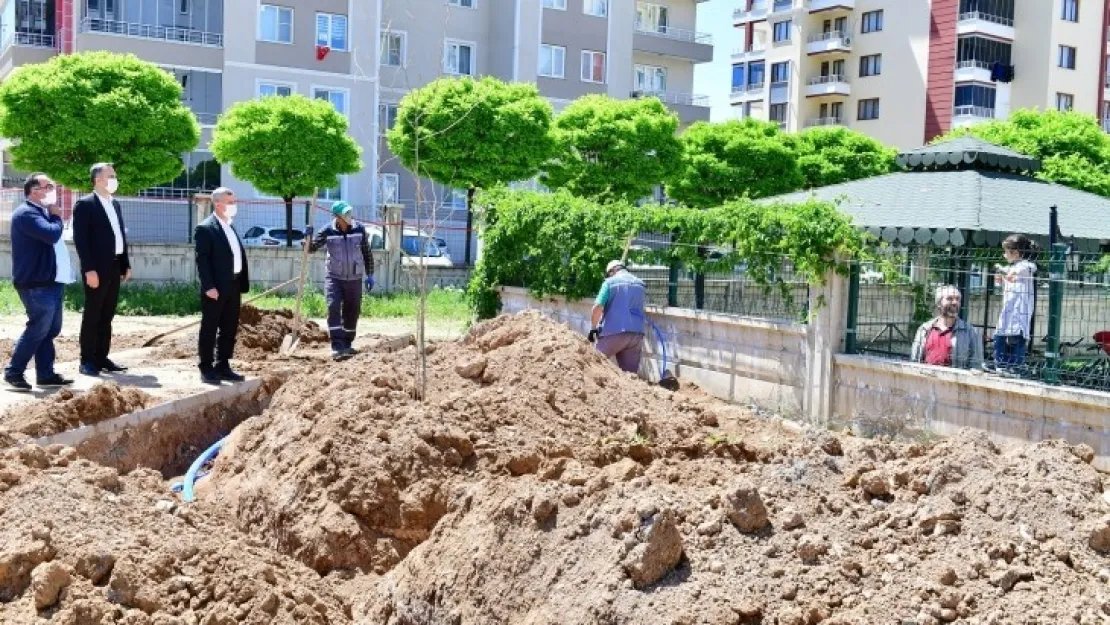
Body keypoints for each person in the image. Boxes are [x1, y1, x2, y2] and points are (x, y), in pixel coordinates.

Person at [3, 173, 74, 391]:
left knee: (49, 331)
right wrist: (56, 216)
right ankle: (13, 372)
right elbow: (52, 234)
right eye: (48, 186)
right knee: (37, 329)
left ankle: (45, 374)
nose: (52, 189)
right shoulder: (27, 214)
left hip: (52, 282)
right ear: (34, 191)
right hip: (36, 284)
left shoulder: (39, 213)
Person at [72, 162, 131, 377]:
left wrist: (126, 264)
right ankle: (87, 360)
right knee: (93, 314)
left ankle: (101, 356)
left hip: (115, 266)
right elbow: (81, 240)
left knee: (107, 314)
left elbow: (120, 236)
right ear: (97, 179)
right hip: (96, 269)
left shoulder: (115, 204)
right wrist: (89, 269)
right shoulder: (85, 204)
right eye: (110, 175)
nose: (114, 179)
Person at [304, 201, 375, 361]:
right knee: (333, 306)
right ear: (337, 217)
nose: (349, 216)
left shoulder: (359, 229)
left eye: (350, 213)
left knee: (353, 310)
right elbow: (311, 249)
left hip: (355, 278)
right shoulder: (328, 231)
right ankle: (337, 346)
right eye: (346, 214)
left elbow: (367, 252)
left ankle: (347, 344)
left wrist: (370, 274)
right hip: (334, 277)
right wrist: (307, 237)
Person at [194, 187, 250, 385]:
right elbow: (202, 260)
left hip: (233, 285)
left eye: (234, 201)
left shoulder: (230, 226)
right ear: (218, 204)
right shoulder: (205, 228)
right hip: (215, 288)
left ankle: (223, 365)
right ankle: (206, 367)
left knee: (229, 328)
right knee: (209, 327)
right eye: (230, 202)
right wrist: (209, 286)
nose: (234, 205)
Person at [589, 260, 646, 374]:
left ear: (612, 271)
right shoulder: (640, 284)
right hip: (636, 335)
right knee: (630, 376)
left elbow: (598, 307)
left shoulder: (609, 283)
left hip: (613, 332)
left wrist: (593, 328)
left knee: (593, 363)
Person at [991, 234, 1037, 373]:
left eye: (1006, 251)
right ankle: (999, 363)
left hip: (1020, 310)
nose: (1004, 254)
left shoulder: (1027, 266)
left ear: (1015, 252)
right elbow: (1007, 282)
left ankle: (1016, 366)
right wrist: (1000, 280)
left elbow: (1026, 268)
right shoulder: (1011, 268)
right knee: (1000, 335)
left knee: (1017, 337)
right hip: (1008, 309)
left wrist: (1010, 272)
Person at [909, 285, 984, 369]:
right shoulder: (925, 329)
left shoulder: (970, 332)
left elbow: (976, 366)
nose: (955, 302)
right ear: (939, 303)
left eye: (958, 299)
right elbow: (914, 360)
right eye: (950, 298)